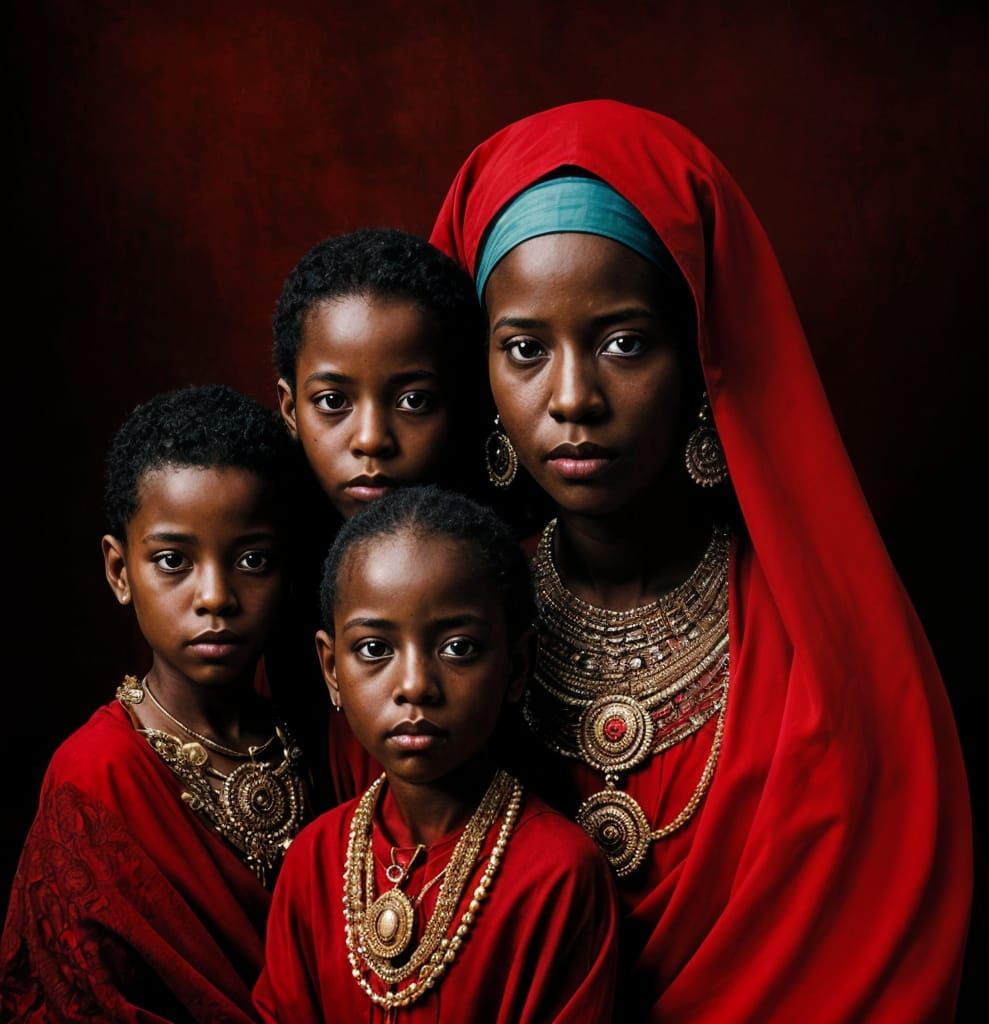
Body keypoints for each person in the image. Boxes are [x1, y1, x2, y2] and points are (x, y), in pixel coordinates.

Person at [429, 100, 973, 1022]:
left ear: (701, 356)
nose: (572, 398)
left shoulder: (815, 647)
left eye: (623, 343)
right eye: (524, 349)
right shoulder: (437, 623)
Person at [1, 386, 309, 1023]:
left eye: (252, 559)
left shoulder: (319, 734)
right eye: (173, 561)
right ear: (119, 571)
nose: (215, 596)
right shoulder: (95, 776)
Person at [253, 486, 618, 1022]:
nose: (415, 685)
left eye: (458, 648)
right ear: (332, 670)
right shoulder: (313, 861)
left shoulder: (557, 875)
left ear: (516, 667)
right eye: (375, 649)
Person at [269, 229, 487, 804]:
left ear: (458, 403)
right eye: (333, 402)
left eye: (413, 400)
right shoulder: (263, 571)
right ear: (290, 408)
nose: (371, 440)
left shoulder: (496, 574)